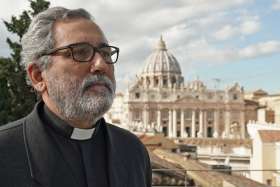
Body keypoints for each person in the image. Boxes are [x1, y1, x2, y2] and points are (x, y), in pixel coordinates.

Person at [0, 7, 151, 187]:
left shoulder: (133, 150)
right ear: (39, 76)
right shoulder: (4, 153)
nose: (101, 64)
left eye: (105, 53)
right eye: (80, 52)